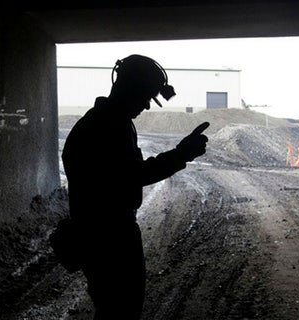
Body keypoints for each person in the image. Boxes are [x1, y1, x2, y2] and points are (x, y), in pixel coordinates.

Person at [61, 54, 209, 319]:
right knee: (120, 309)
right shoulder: (107, 126)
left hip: (102, 233)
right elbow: (132, 175)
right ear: (129, 89)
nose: (146, 106)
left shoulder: (103, 122)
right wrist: (181, 154)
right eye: (145, 97)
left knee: (113, 309)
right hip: (110, 236)